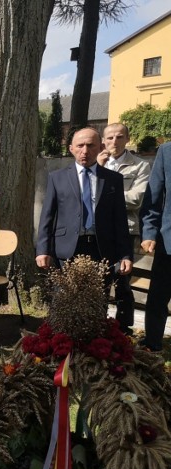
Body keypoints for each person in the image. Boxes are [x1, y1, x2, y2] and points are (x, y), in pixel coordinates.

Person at [36, 127, 133, 295]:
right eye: (80, 145)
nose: (85, 151)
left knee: (96, 302)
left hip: (101, 249)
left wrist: (125, 254)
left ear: (101, 148)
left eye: (91, 145)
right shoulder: (57, 177)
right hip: (66, 250)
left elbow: (120, 219)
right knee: (64, 301)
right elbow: (47, 216)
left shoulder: (112, 179)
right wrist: (42, 250)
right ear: (71, 149)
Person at [97, 123, 151, 334]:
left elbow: (137, 198)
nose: (114, 142)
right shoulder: (96, 163)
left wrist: (104, 197)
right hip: (98, 231)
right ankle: (97, 324)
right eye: (109, 138)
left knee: (122, 280)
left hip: (126, 231)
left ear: (127, 139)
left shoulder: (139, 166)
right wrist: (98, 169)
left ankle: (123, 329)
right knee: (99, 281)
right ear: (103, 140)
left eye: (119, 137)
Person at [139, 141, 171, 352]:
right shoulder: (167, 151)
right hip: (169, 242)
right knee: (158, 298)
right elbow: (154, 197)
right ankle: (153, 345)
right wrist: (149, 232)